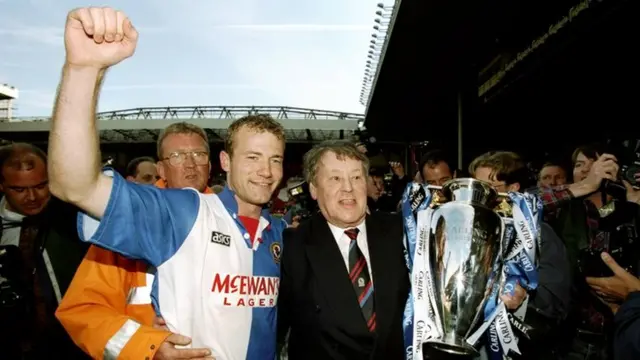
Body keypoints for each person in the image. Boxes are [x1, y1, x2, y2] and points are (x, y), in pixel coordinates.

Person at [48, 7, 287, 360]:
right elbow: (75, 185)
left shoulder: (279, 232)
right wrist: (83, 70)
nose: (265, 171)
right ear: (227, 162)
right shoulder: (181, 212)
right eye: (252, 157)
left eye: (276, 159)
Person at [56, 123, 214, 360]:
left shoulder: (231, 221)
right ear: (161, 169)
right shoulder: (128, 224)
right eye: (177, 156)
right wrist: (148, 344)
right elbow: (81, 310)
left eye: (199, 155)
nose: (190, 164)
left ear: (210, 165)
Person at [278, 140, 409, 359]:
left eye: (356, 177)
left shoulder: (402, 233)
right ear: (313, 189)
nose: (348, 187)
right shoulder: (293, 246)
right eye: (335, 178)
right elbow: (275, 325)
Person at [0, 143, 88, 359]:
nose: (32, 197)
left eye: (41, 185)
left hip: (72, 345)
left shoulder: (77, 219)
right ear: (1, 185)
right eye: (18, 189)